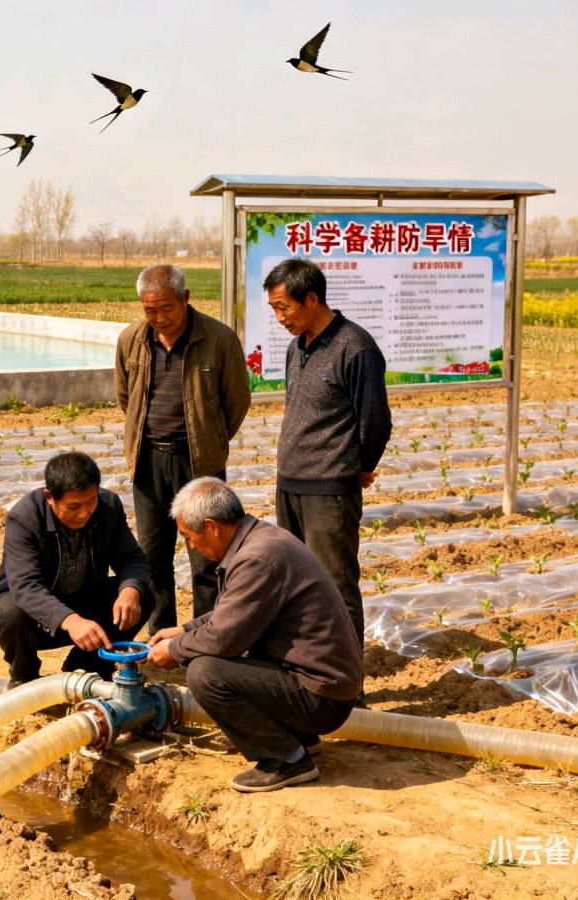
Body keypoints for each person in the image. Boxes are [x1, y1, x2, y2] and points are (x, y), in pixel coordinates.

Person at [146, 477, 362, 792]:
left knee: (205, 672)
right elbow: (234, 611)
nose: (191, 546)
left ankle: (287, 760)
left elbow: (223, 639)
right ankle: (299, 738)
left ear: (212, 527)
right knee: (212, 658)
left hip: (321, 698)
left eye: (189, 537)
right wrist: (184, 630)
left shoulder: (256, 558)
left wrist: (175, 650)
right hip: (322, 684)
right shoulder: (261, 540)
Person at [264, 258, 391, 654]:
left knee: (335, 586)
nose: (279, 317)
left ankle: (347, 677)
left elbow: (376, 419)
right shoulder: (295, 347)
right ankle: (309, 664)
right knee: (295, 582)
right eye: (274, 309)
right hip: (290, 483)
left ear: (311, 298)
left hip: (329, 489)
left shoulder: (355, 347)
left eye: (283, 307)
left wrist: (359, 467)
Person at [114, 264, 249, 633]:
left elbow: (236, 402)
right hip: (148, 461)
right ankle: (160, 636)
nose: (160, 318)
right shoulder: (131, 340)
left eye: (167, 308)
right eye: (150, 310)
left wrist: (210, 440)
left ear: (185, 299)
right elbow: (125, 396)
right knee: (152, 556)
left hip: (198, 463)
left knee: (206, 556)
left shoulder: (219, 339)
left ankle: (205, 636)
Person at [0, 451, 153, 686]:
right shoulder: (25, 518)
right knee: (10, 610)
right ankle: (25, 676)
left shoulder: (109, 507)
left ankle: (88, 666)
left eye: (91, 502)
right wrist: (70, 620)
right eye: (73, 506)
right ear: (49, 497)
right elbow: (25, 586)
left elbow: (132, 559)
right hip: (37, 619)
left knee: (143, 592)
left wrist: (130, 591)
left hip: (83, 603)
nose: (84, 513)